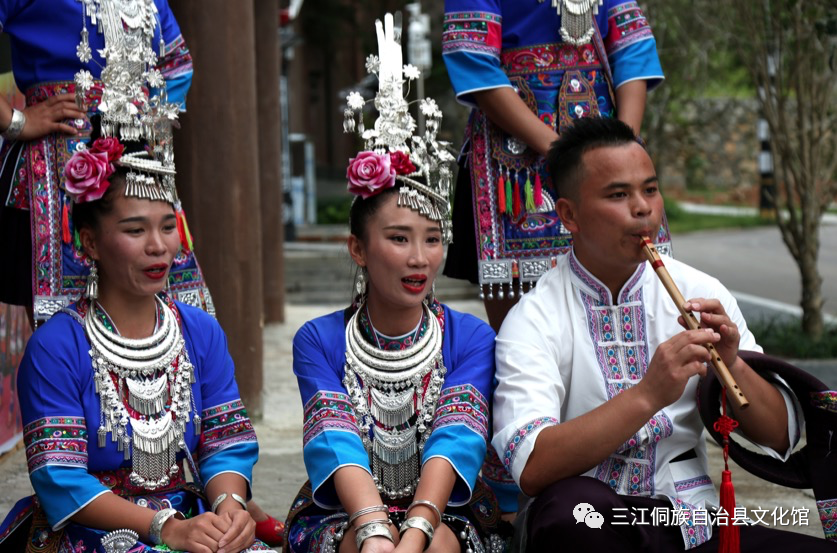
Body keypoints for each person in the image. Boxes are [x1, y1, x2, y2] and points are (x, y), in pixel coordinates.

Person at [490, 116, 837, 551]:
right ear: (569, 215)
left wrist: (732, 364)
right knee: (571, 515)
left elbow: (781, 436)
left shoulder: (700, 291)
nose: (643, 209)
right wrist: (648, 394)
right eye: (619, 194)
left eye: (650, 190)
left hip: (691, 518)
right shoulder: (534, 318)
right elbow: (533, 466)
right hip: (592, 519)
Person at [284, 14, 505, 553]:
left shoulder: (471, 338)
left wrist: (418, 529)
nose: (420, 258)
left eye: (433, 239)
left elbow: (456, 438)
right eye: (399, 238)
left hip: (448, 509)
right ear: (357, 248)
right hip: (346, 510)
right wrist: (378, 530)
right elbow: (337, 442)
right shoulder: (318, 339)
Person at [0, 131, 275, 552]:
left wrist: (228, 506)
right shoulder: (55, 346)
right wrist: (166, 529)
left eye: (168, 227)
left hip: (187, 516)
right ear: (89, 242)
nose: (158, 247)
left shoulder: (199, 331)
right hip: (88, 528)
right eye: (135, 230)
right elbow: (60, 477)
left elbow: (225, 442)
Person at [441, 0, 669, 332]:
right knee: (524, 324)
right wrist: (560, 151)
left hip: (606, 141)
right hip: (518, 157)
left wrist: (623, 146)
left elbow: (632, 50)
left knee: (630, 298)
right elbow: (474, 61)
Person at [0, 0, 212, 324]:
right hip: (57, 175)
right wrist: (16, 121)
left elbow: (177, 64)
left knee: (162, 321)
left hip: (137, 165)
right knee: (70, 338)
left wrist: (142, 127)